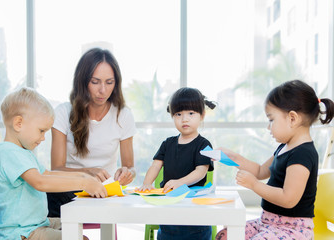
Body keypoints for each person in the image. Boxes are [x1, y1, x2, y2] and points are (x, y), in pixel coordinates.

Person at [215, 80, 334, 240]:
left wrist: (254, 185)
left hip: (292, 229)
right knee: (225, 235)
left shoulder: (303, 154)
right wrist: (234, 157)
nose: (268, 127)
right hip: (266, 222)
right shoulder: (284, 147)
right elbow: (260, 171)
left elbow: (288, 198)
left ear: (292, 118)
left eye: (271, 120)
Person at [0, 87, 107, 240]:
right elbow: (40, 182)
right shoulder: (9, 153)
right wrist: (84, 183)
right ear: (18, 123)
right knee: (80, 238)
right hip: (21, 233)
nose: (43, 138)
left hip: (35, 224)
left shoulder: (22, 152)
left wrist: (82, 175)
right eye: (41, 131)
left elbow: (46, 173)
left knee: (75, 224)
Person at [47, 48, 136, 217]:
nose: (103, 90)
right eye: (95, 82)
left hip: (104, 193)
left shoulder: (123, 115)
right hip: (69, 191)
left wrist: (127, 173)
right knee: (50, 195)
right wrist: (88, 172)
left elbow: (130, 167)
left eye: (109, 82)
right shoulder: (63, 112)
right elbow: (56, 169)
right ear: (82, 81)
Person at [139, 87, 216, 240]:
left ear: (202, 115)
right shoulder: (167, 143)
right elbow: (155, 165)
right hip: (169, 208)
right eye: (178, 114)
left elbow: (201, 171)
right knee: (168, 232)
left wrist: (180, 182)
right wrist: (147, 183)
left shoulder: (203, 144)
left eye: (191, 113)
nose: (184, 119)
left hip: (195, 211)